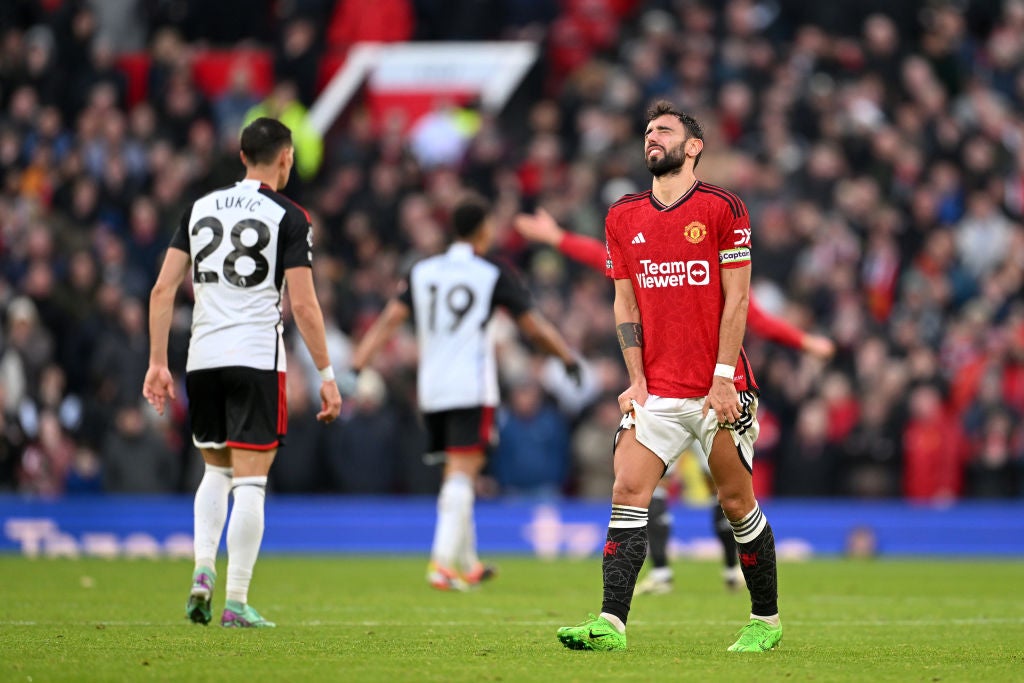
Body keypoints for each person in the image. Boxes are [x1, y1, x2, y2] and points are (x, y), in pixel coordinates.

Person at [554, 100, 782, 652]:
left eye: (664, 131)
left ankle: (765, 621)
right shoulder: (622, 216)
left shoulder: (725, 208)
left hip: (716, 389)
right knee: (627, 489)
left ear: (694, 146)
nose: (651, 139)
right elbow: (624, 304)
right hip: (655, 388)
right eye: (647, 133)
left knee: (735, 501)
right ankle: (611, 623)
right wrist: (635, 379)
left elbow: (738, 299)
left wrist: (723, 377)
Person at [514, 208, 834, 594]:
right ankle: (662, 572)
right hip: (662, 389)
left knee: (728, 490)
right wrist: (557, 239)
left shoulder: (713, 268)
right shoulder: (651, 263)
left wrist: (804, 342)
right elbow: (606, 261)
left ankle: (736, 570)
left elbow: (754, 316)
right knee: (650, 484)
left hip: (713, 391)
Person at [143, 117, 342, 628]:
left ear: (240, 155)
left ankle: (202, 569)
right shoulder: (291, 216)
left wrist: (158, 363)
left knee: (215, 471)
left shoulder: (198, 207)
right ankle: (235, 601)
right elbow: (304, 304)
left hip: (203, 357)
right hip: (255, 356)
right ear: (286, 159)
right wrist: (326, 372)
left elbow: (162, 290)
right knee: (251, 484)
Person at [348, 193, 581, 591]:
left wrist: (359, 361)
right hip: (471, 387)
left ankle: (468, 562)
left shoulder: (423, 270)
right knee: (462, 472)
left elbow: (390, 319)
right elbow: (534, 327)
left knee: (456, 474)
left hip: (432, 390)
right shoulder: (491, 271)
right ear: (484, 230)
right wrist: (567, 357)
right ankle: (440, 564)